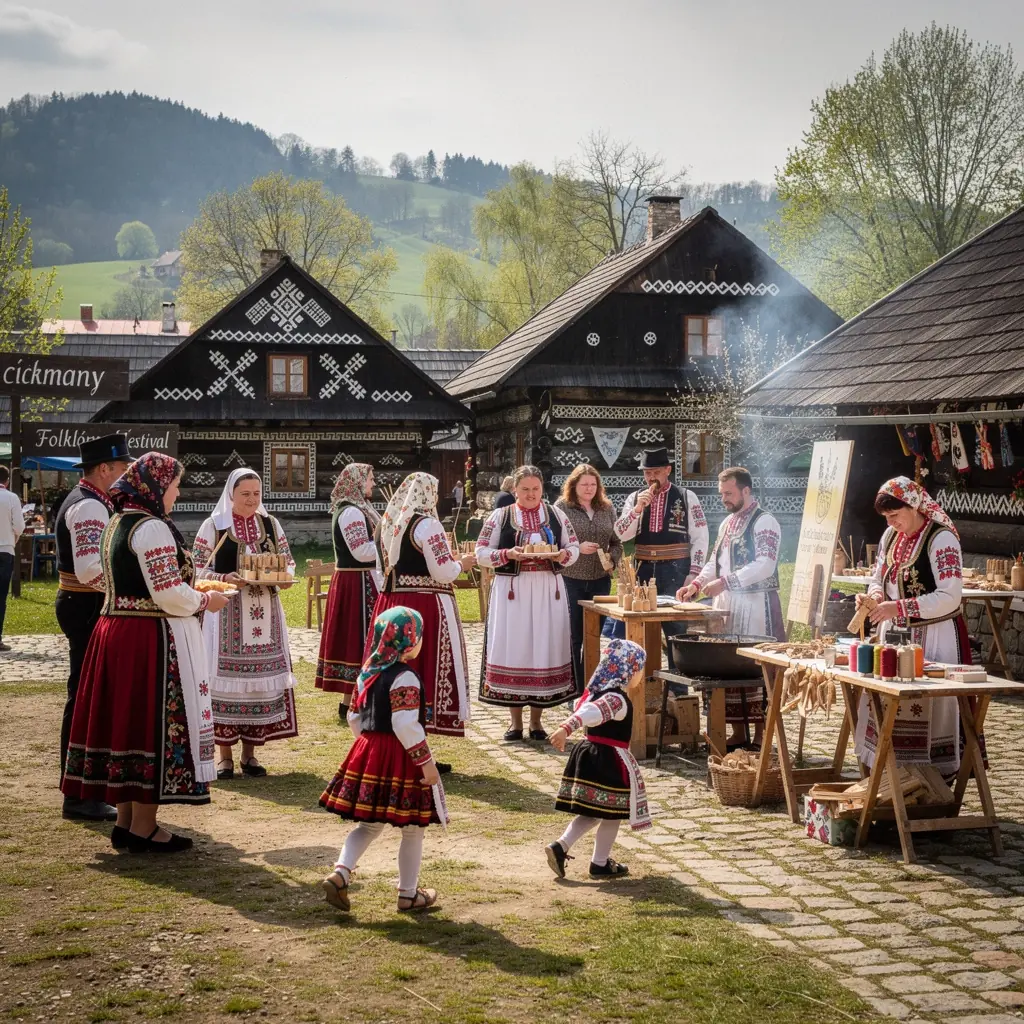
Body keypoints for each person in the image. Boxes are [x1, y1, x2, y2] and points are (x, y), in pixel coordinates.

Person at [61, 452, 231, 852]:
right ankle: (144, 827)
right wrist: (207, 602)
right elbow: (168, 591)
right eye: (173, 486)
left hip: (117, 630)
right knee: (149, 723)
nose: (176, 493)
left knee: (126, 722)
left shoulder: (118, 521)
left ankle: (127, 822)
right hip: (146, 637)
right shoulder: (151, 527)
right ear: (156, 487)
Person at [320, 606, 443, 913]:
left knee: (369, 824)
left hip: (371, 750)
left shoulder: (368, 673)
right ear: (409, 641)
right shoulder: (405, 678)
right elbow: (404, 724)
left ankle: (341, 873)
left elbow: (353, 717)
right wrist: (425, 761)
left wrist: (369, 747)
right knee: (413, 827)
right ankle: (408, 894)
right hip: (401, 756)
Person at [853, 476, 968, 775]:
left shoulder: (941, 539)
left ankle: (933, 781)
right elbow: (879, 575)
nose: (891, 523)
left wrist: (900, 607)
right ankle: (892, 775)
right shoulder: (891, 536)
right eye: (887, 518)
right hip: (894, 636)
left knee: (930, 708)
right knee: (889, 705)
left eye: (895, 515)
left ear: (914, 505)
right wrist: (875, 595)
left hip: (935, 635)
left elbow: (950, 596)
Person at [193, 469, 297, 780]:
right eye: (245, 494)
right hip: (225, 614)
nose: (252, 500)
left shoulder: (270, 524)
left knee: (259, 683)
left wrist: (285, 576)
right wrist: (223, 578)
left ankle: (250, 754)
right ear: (231, 495)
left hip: (265, 610)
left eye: (256, 494)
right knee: (225, 681)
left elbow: (287, 560)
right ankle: (224, 757)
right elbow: (197, 569)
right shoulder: (214, 527)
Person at [54, 434, 133, 821]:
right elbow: (89, 571)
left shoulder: (94, 502)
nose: (124, 477)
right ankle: (78, 793)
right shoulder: (88, 508)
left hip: (83, 606)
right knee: (84, 697)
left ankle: (87, 788)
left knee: (87, 695)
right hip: (85, 607)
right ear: (105, 469)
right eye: (121, 470)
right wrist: (132, 585)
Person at [678, 466, 785, 748]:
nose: (723, 498)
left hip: (756, 602)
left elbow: (765, 564)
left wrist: (727, 582)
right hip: (728, 604)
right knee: (729, 666)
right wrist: (697, 585)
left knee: (755, 667)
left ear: (746, 490)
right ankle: (738, 732)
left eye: (729, 493)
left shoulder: (765, 522)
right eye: (721, 493)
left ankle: (763, 734)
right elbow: (715, 561)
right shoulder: (728, 523)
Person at [476, 464, 580, 741]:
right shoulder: (501, 516)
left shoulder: (556, 514)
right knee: (516, 647)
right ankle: (515, 723)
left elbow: (574, 547)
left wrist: (562, 556)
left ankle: (537, 722)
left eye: (535, 489)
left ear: (542, 488)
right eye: (525, 489)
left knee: (543, 648)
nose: (531, 494)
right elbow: (481, 551)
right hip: (513, 590)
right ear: (514, 490)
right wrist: (508, 554)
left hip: (548, 589)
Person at [370, 472, 474, 745]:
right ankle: (418, 740)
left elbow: (380, 568)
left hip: (392, 604)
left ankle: (395, 735)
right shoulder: (428, 525)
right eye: (435, 492)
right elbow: (443, 572)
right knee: (421, 666)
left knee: (393, 667)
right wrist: (463, 564)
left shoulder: (388, 523)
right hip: (425, 606)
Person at [546, 639, 651, 879]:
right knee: (612, 814)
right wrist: (566, 727)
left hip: (592, 755)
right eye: (639, 669)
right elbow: (592, 713)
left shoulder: (597, 692)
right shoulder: (616, 699)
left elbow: (589, 709)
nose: (640, 675)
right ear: (627, 669)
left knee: (593, 812)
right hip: (608, 761)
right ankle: (599, 863)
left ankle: (560, 846)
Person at [614, 447, 708, 646]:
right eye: (647, 473)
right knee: (639, 629)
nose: (651, 477)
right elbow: (622, 533)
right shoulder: (635, 498)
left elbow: (701, 537)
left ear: (668, 470)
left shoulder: (686, 496)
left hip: (675, 569)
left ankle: (676, 676)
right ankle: (644, 676)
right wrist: (637, 509)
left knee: (677, 631)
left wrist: (693, 574)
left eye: (656, 472)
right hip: (642, 570)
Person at [315, 464, 381, 721]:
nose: (373, 484)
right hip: (356, 583)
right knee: (360, 639)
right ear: (357, 481)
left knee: (361, 642)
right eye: (370, 479)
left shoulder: (360, 508)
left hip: (362, 580)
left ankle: (351, 702)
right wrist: (389, 549)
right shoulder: (351, 512)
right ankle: (355, 703)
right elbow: (361, 551)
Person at [554, 464, 622, 688]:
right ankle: (572, 685)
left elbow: (617, 542)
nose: (589, 488)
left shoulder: (607, 508)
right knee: (573, 635)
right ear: (574, 486)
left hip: (600, 580)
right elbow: (554, 542)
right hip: (571, 577)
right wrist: (576, 547)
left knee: (593, 635)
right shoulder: (562, 507)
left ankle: (588, 683)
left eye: (593, 484)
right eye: (584, 484)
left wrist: (612, 558)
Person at [0, 464, 23, 653]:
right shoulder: (11, 497)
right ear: (6, 481)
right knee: (0, 596)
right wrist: (13, 537)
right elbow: (19, 526)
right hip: (5, 549)